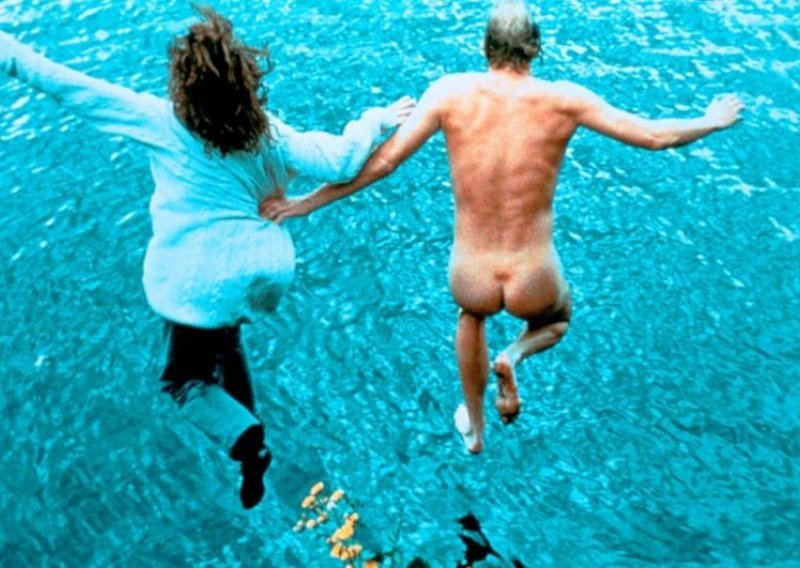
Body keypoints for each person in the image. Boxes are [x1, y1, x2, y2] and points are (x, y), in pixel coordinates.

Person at [260, 0, 744, 454]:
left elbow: (384, 162)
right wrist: (711, 120)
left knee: (472, 316)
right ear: (535, 48)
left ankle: (475, 428)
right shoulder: (565, 100)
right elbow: (654, 136)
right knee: (556, 321)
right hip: (534, 274)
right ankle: (513, 355)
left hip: (471, 272)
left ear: (485, 47)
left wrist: (305, 204)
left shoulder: (449, 93)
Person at [0, 7, 414, 506]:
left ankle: (245, 440)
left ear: (183, 87)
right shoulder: (268, 133)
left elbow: (64, 84)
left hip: (195, 279)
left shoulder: (161, 121)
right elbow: (341, 161)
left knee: (182, 382)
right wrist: (378, 119)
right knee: (226, 339)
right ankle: (250, 443)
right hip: (262, 269)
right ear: (246, 81)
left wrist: (7, 48)